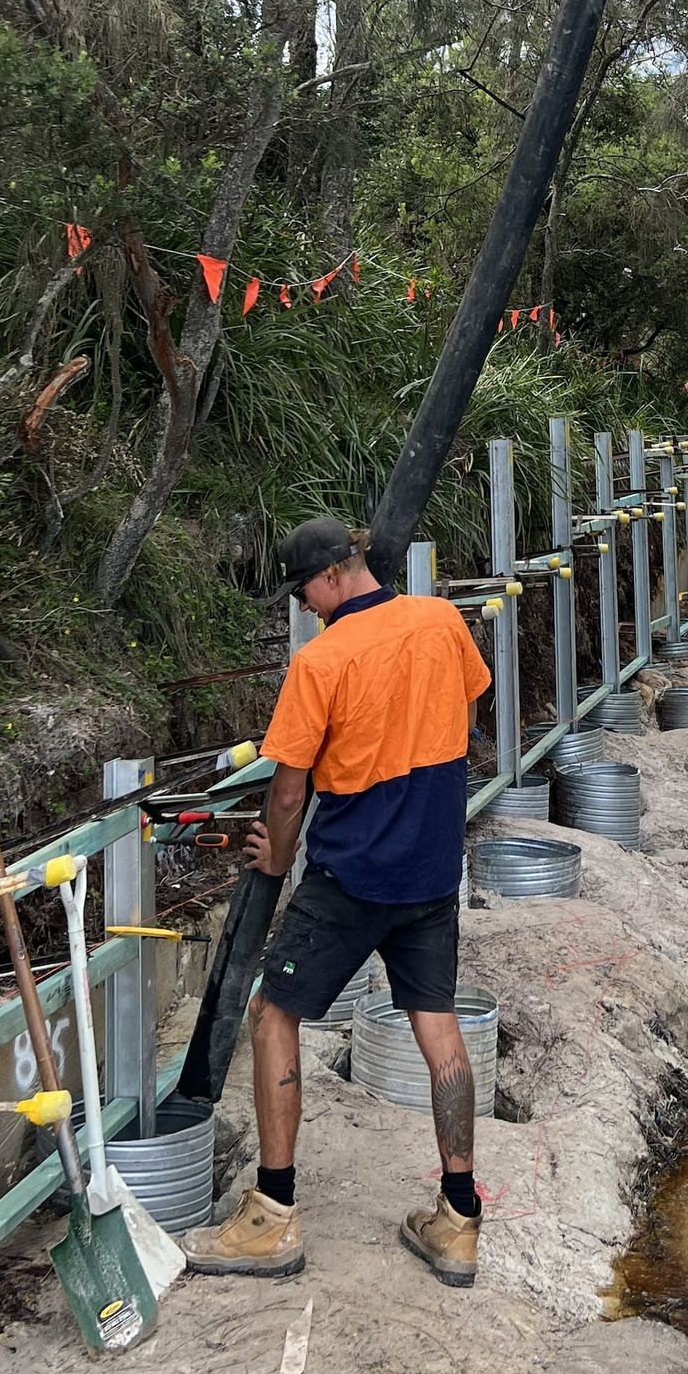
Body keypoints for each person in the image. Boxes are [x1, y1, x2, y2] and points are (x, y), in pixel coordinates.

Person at [182, 516, 493, 1288]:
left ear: (331, 577)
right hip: (432, 871)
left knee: (272, 1014)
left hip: (352, 876)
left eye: (304, 592)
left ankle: (271, 1216)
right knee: (437, 1024)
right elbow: (466, 716)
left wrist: (277, 856)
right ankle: (459, 1221)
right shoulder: (440, 620)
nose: (304, 606)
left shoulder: (320, 661)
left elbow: (289, 791)